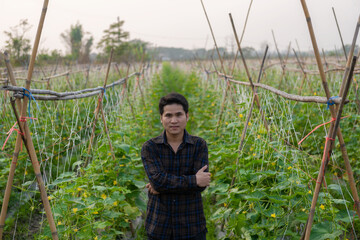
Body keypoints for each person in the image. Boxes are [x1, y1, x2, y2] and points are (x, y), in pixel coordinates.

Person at [141, 92, 211, 240]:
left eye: (179, 115)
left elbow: (202, 185)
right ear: (161, 118)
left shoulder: (199, 145)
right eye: (168, 115)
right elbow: (158, 182)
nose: (174, 120)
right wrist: (193, 180)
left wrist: (162, 186)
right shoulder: (150, 147)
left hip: (192, 226)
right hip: (160, 227)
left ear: (187, 116)